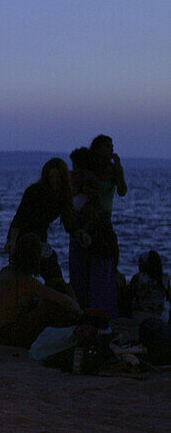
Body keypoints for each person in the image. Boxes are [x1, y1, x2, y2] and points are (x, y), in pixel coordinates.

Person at [0, 233, 82, 348]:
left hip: (3, 331)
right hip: (10, 333)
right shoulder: (24, 280)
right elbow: (63, 300)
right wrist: (82, 316)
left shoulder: (7, 271)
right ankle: (77, 332)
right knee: (51, 306)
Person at [68, 136, 127, 317]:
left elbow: (122, 191)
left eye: (112, 146)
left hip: (103, 222)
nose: (111, 149)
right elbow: (73, 190)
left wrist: (119, 168)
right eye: (107, 146)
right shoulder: (86, 170)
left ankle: (101, 311)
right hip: (84, 221)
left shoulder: (112, 169)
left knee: (102, 268)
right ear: (98, 149)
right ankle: (81, 308)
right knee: (81, 268)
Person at [5, 159, 77, 287]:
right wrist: (12, 241)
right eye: (51, 177)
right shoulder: (34, 191)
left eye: (58, 177)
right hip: (23, 239)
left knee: (55, 278)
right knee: (22, 279)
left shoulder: (62, 195)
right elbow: (18, 219)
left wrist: (80, 233)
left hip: (40, 239)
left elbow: (69, 222)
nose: (54, 180)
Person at [128, 251, 170, 323]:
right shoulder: (165, 279)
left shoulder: (138, 278)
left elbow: (129, 297)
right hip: (161, 317)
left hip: (140, 317)